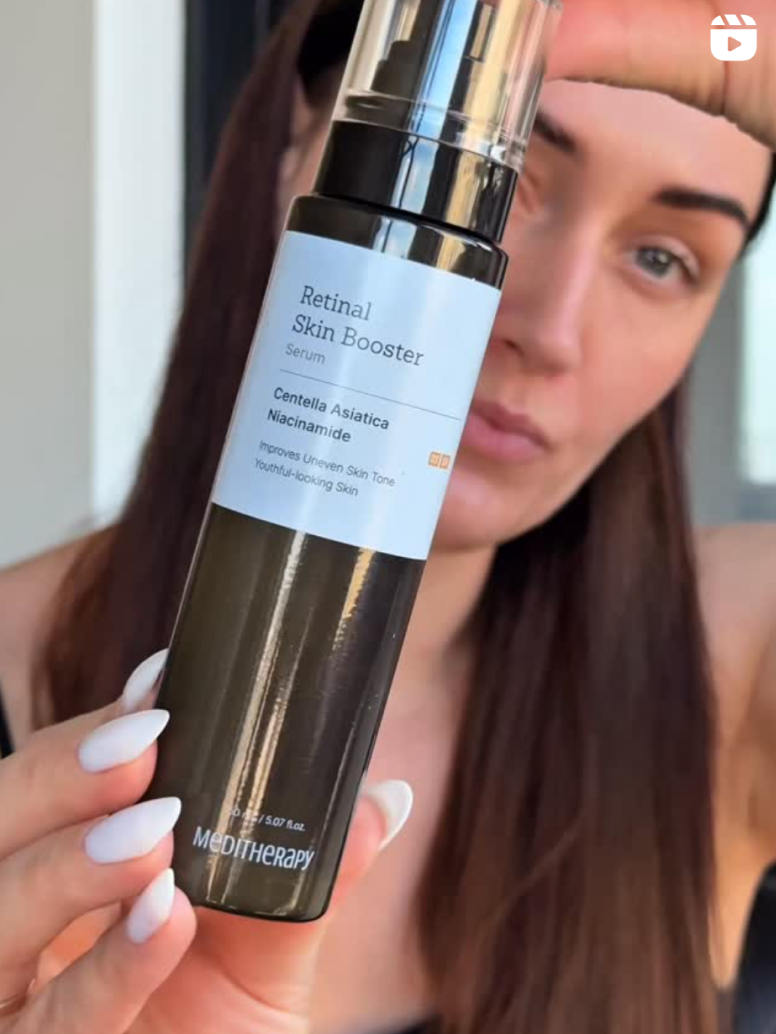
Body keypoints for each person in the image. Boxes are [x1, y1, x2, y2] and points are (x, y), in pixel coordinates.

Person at [0, 0, 775, 1030]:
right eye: (514, 180)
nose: (550, 328)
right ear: (298, 146)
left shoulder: (729, 662)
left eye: (660, 258)